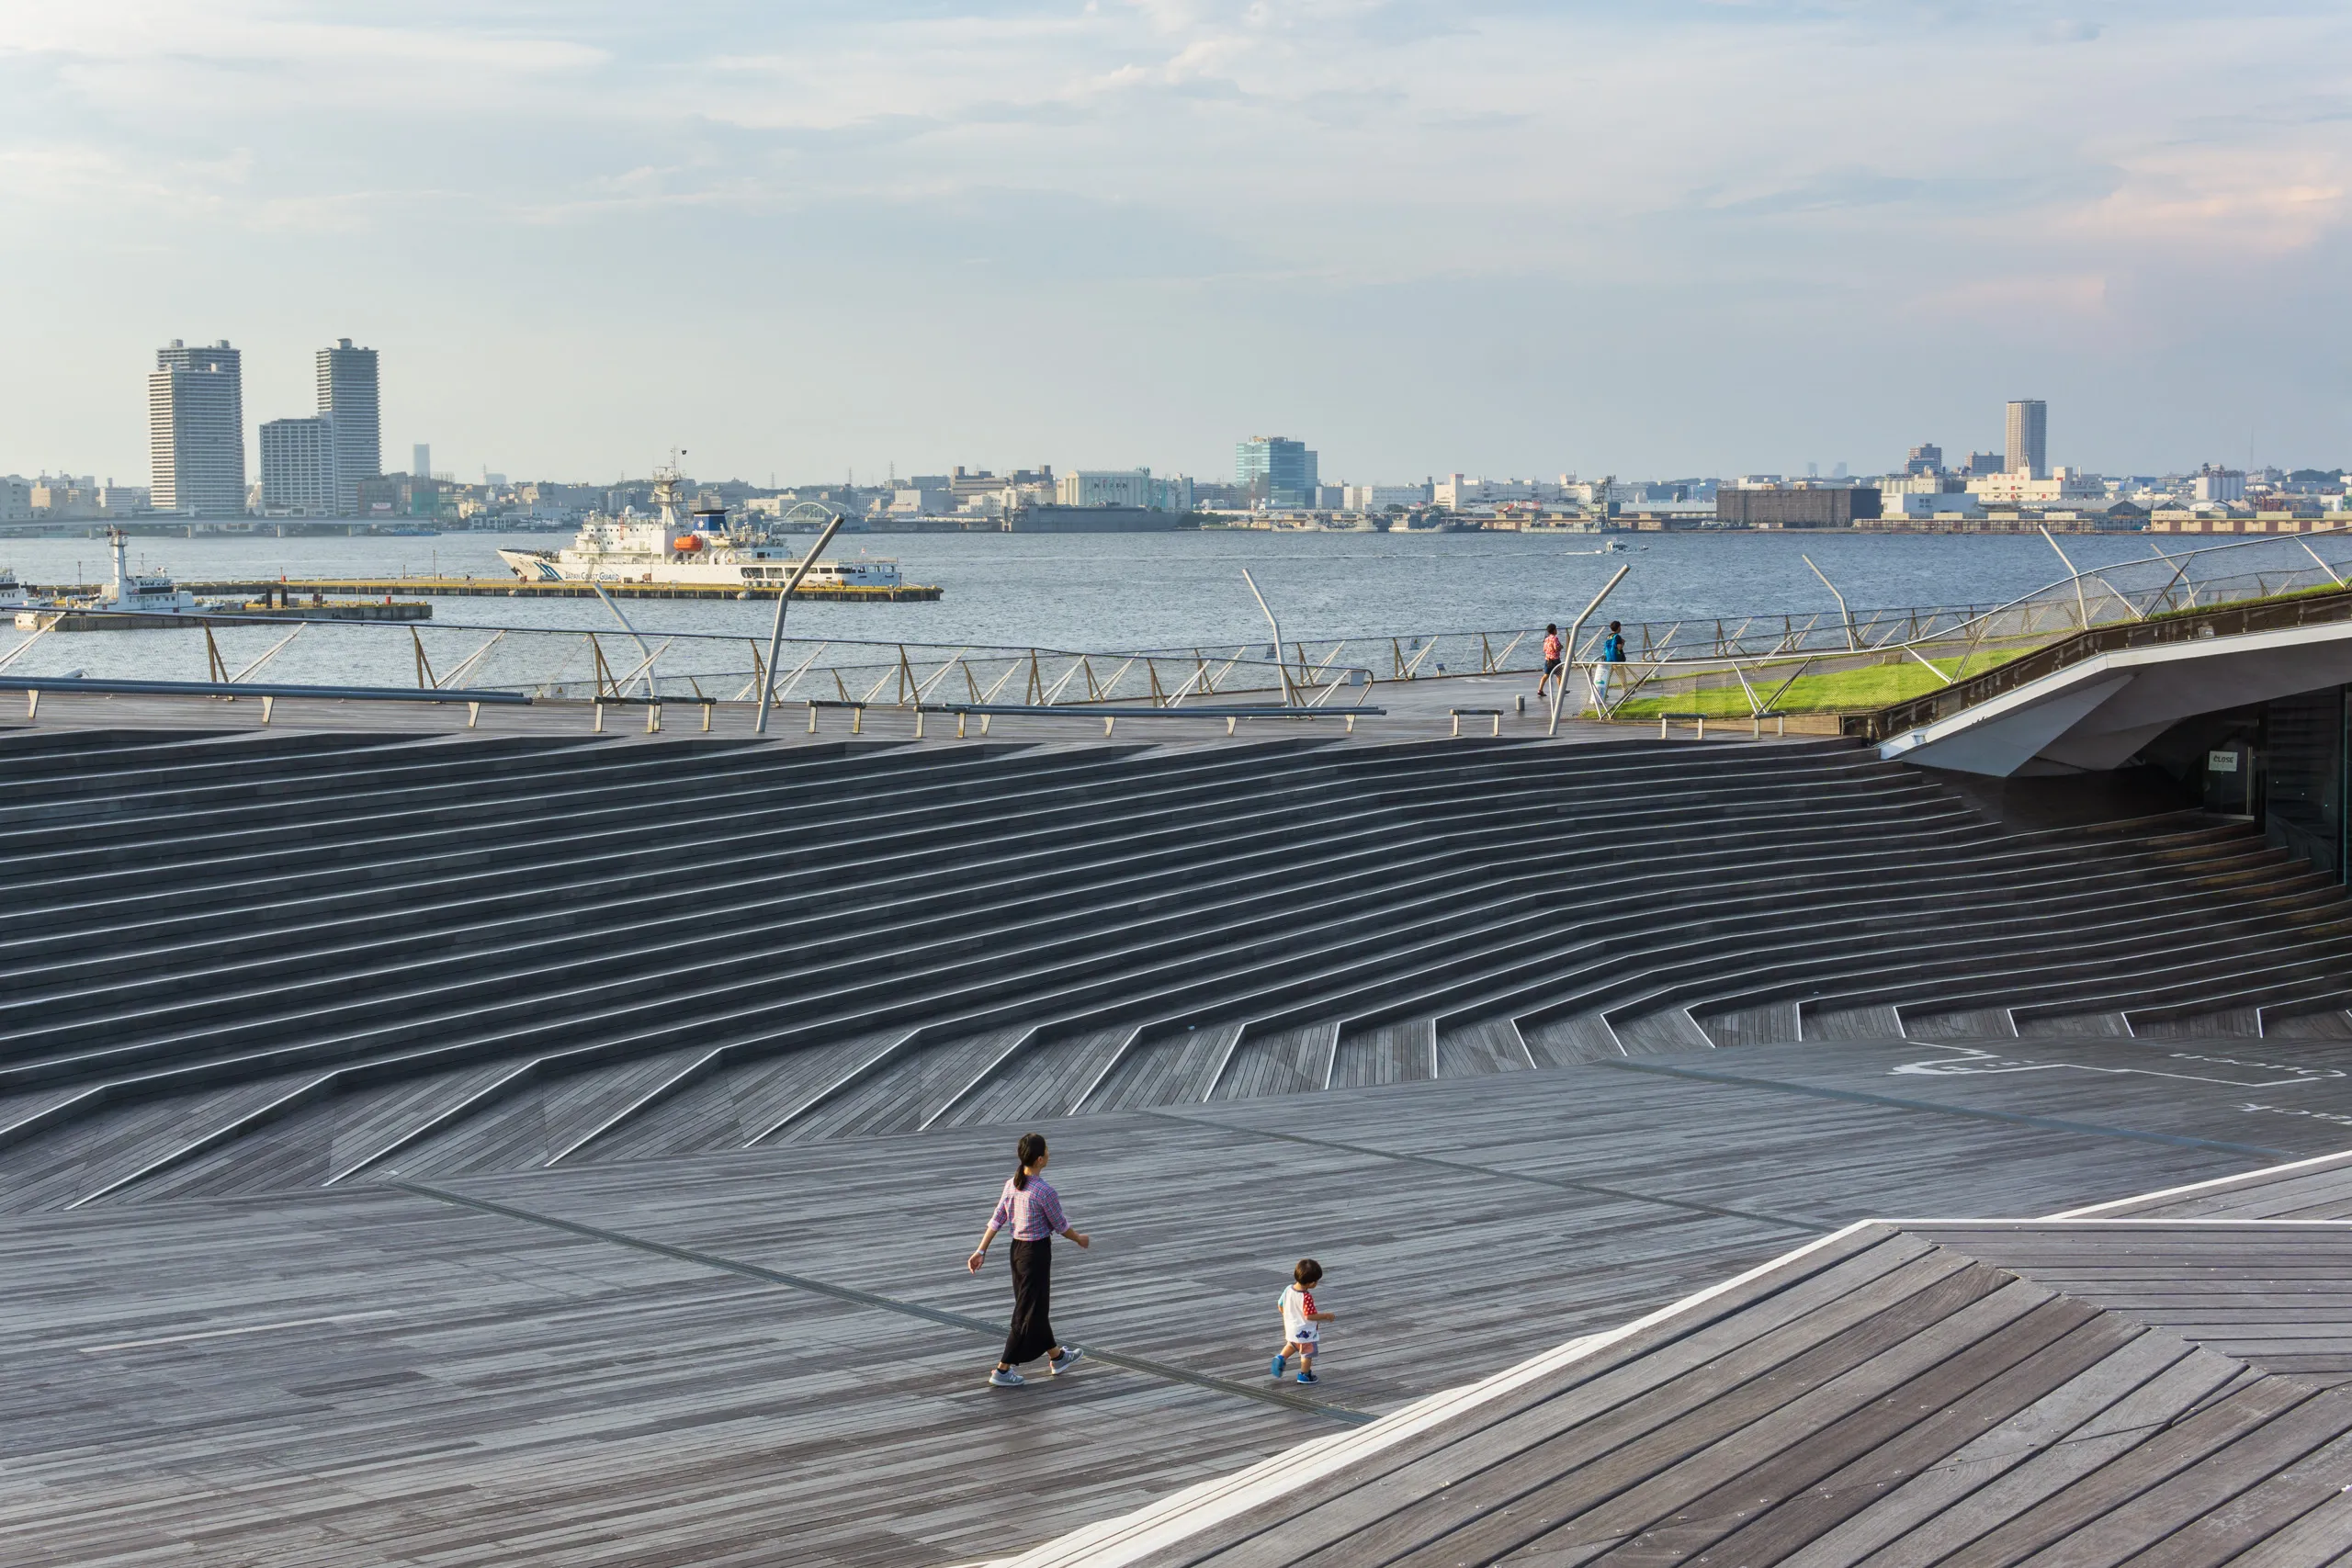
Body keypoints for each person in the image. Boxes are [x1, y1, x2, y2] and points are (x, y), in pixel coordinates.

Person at [967, 1131, 1091, 1387]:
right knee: (1026, 1312)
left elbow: (997, 1219)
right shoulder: (1044, 1191)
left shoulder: (1011, 1184)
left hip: (1017, 1253)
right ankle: (1002, 1370)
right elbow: (1060, 1225)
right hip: (1036, 1254)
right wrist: (1079, 1238)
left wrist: (981, 1250)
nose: (1049, 1153)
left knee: (1035, 1307)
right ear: (1038, 1159)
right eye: (1046, 1150)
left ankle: (1057, 1357)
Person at [1271, 1258, 1335, 1385]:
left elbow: (1280, 1304)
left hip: (1291, 1326)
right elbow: (1310, 1315)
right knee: (1307, 1353)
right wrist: (1325, 1316)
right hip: (1305, 1331)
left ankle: (1281, 1357)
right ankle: (1305, 1375)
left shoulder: (1288, 1289)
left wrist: (1288, 1314)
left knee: (1292, 1345)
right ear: (1311, 1283)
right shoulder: (1306, 1297)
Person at [1595, 619, 1627, 711]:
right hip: (1616, 660)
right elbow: (1619, 647)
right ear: (1618, 628)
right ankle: (1626, 690)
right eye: (1620, 627)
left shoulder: (1608, 636)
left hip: (1608, 659)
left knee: (1607, 677)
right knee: (1622, 675)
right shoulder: (1617, 637)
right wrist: (1623, 643)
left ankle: (1604, 692)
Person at [1535, 624, 1564, 704]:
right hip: (1555, 660)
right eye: (1556, 629)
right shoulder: (1555, 638)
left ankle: (1540, 689)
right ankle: (1561, 690)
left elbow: (1544, 649)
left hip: (1548, 659)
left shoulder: (1546, 639)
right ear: (1554, 630)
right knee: (1559, 675)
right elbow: (1556, 648)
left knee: (1546, 675)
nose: (1557, 630)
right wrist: (1561, 646)